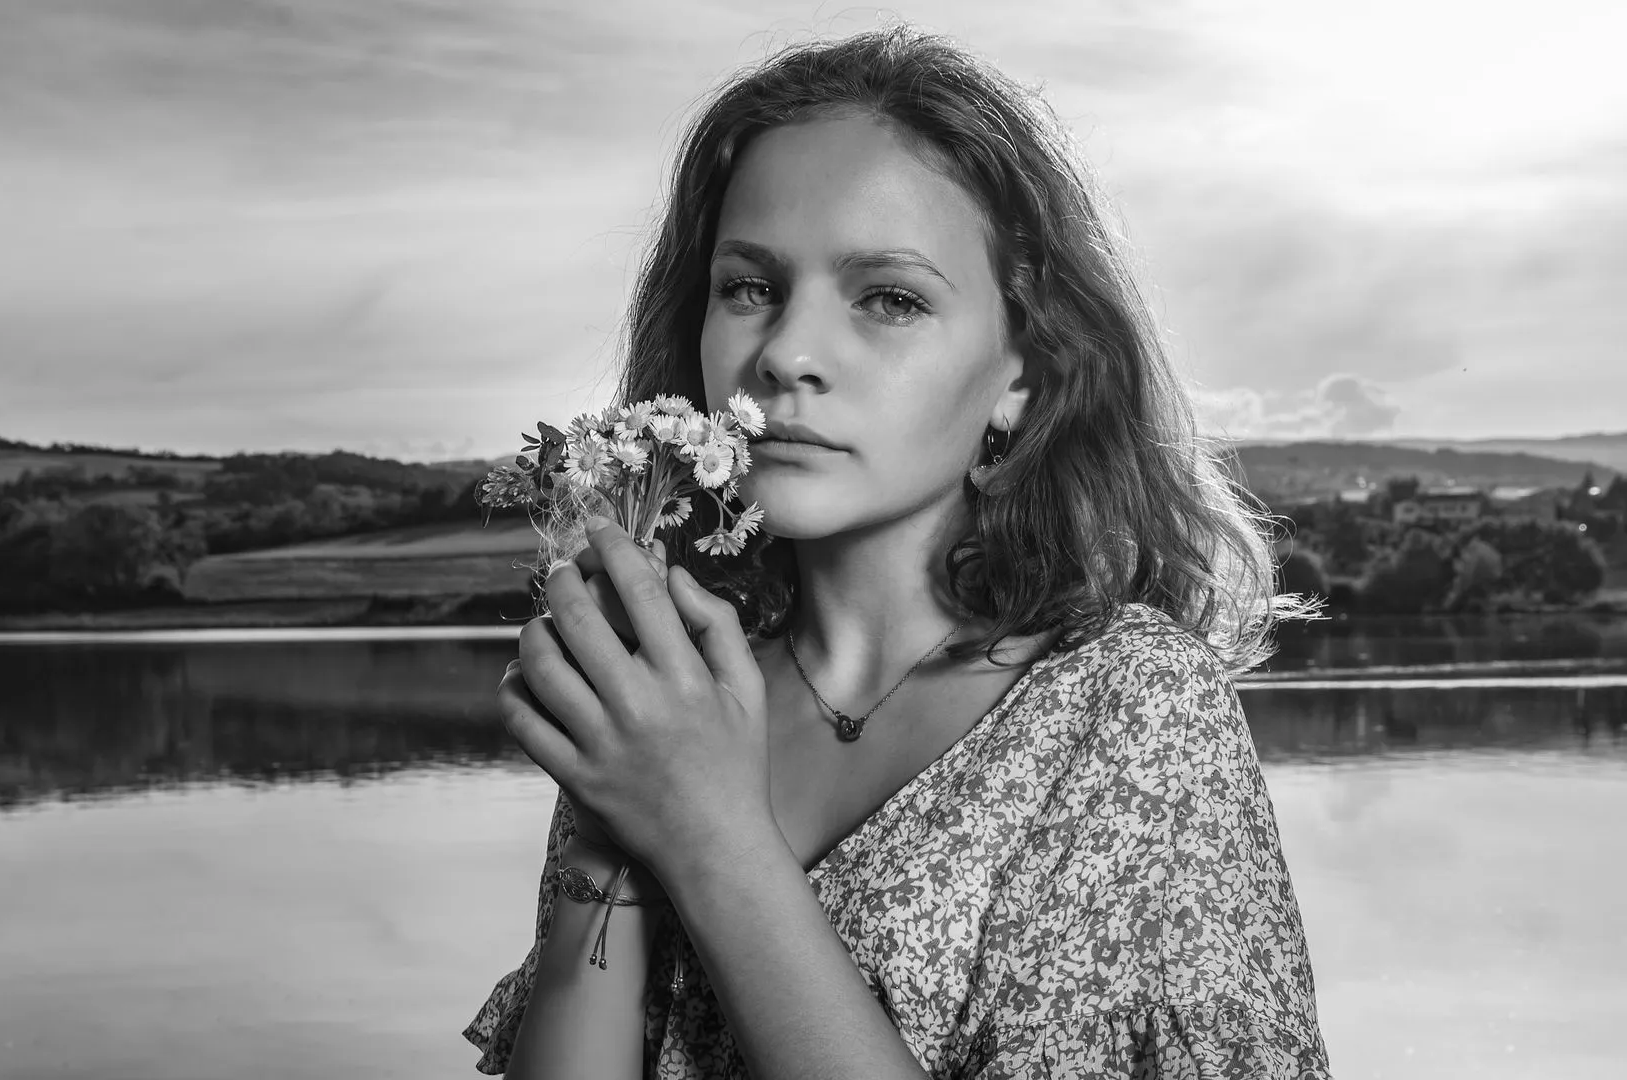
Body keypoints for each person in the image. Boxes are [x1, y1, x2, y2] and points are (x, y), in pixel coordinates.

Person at [465, 24, 1330, 1080]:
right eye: (749, 287)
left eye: (890, 299)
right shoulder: (668, 693)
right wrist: (611, 834)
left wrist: (708, 835)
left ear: (1023, 373)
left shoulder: (1130, 709)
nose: (784, 353)